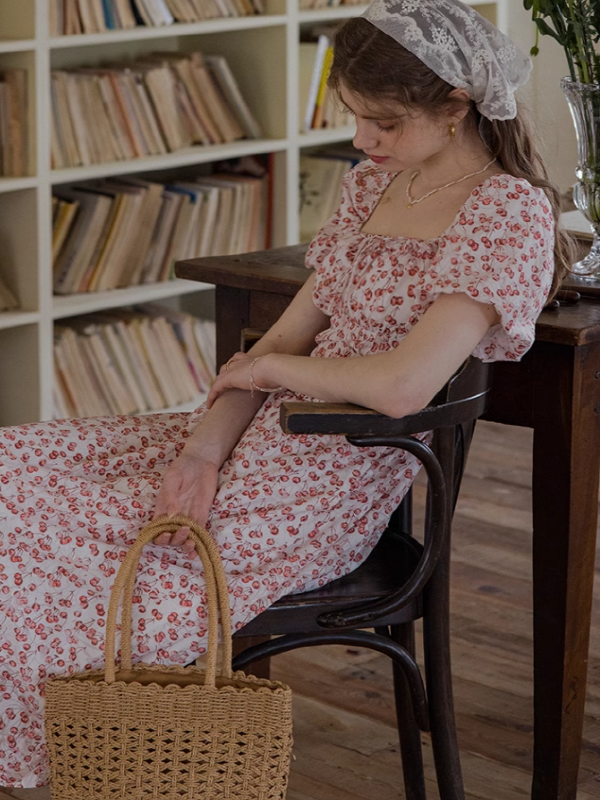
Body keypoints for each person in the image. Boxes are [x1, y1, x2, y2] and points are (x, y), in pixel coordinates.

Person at [0, 0, 571, 788]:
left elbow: (403, 384)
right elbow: (280, 343)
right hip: (267, 434)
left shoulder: (506, 211)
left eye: (382, 123)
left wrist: (272, 376)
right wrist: (203, 451)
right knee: (11, 463)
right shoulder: (375, 185)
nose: (361, 141)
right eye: (356, 118)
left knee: (30, 545)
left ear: (455, 108)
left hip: (327, 482)